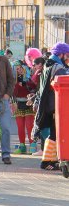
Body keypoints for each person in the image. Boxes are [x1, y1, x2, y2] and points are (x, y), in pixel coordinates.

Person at [32, 42, 69, 170]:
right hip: (57, 105)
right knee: (56, 133)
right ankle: (48, 161)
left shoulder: (48, 64)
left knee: (54, 133)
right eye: (67, 54)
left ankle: (49, 160)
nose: (68, 57)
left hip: (48, 105)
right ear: (61, 54)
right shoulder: (58, 67)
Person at [11, 61, 36, 154]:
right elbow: (12, 93)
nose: (19, 70)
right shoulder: (13, 81)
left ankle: (32, 144)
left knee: (30, 126)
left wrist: (25, 83)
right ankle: (22, 146)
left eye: (21, 68)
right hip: (18, 104)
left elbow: (33, 89)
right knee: (20, 127)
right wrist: (13, 103)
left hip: (29, 103)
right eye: (17, 69)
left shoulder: (30, 79)